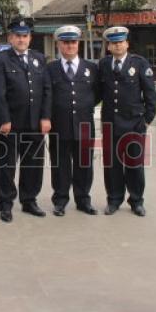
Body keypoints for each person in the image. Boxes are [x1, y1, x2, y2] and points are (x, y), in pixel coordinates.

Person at [0, 17, 52, 222]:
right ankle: (6, 204)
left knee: (33, 164)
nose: (22, 39)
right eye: (17, 36)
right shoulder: (1, 59)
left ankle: (29, 200)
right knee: (7, 165)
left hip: (35, 122)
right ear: (10, 37)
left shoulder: (39, 58)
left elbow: (46, 90)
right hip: (12, 123)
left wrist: (45, 117)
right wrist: (4, 119)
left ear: (30, 38)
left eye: (25, 36)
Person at [98, 26, 156, 217]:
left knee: (134, 164)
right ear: (108, 46)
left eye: (121, 42)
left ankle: (136, 201)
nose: (117, 46)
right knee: (112, 164)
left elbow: (150, 95)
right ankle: (114, 199)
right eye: (114, 43)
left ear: (127, 44)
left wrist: (146, 120)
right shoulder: (104, 65)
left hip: (134, 124)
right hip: (110, 123)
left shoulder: (139, 63)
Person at [46, 25, 100, 217]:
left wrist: (85, 106)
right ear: (59, 44)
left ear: (79, 43)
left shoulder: (92, 68)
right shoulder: (50, 68)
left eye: (73, 42)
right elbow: (46, 95)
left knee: (84, 165)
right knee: (60, 165)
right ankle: (60, 200)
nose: (69, 46)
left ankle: (83, 200)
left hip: (84, 125)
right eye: (65, 42)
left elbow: (98, 93)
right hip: (59, 126)